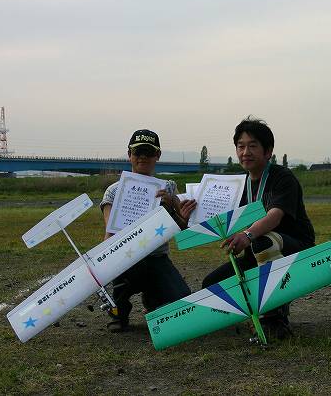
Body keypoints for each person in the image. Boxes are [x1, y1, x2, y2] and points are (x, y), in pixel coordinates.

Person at [202, 117, 315, 339]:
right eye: (241, 146)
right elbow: (215, 217)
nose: (246, 152)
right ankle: (253, 314)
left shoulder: (282, 177)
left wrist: (247, 235)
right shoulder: (237, 185)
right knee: (211, 284)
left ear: (268, 151)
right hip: (256, 253)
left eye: (253, 146)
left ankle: (273, 317)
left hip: (294, 248)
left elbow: (275, 215)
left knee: (265, 240)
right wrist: (186, 209)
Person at [100, 129, 195, 332]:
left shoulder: (169, 188)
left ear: (158, 155)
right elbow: (110, 233)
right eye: (138, 152)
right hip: (126, 257)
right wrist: (108, 263)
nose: (142, 157)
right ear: (129, 154)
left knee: (182, 299)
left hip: (157, 257)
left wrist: (173, 204)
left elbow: (181, 226)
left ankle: (153, 299)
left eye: (149, 152)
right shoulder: (114, 191)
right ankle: (119, 312)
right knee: (122, 278)